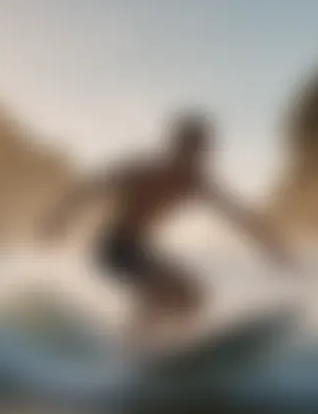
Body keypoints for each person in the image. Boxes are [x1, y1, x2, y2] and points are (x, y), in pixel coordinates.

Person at [40, 112, 294, 343]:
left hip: (139, 248)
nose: (195, 159)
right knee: (159, 288)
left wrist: (272, 246)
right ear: (175, 148)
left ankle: (168, 344)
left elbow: (238, 216)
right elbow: (93, 187)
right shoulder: (143, 170)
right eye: (190, 150)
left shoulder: (196, 182)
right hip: (113, 246)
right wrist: (58, 219)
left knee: (193, 297)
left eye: (200, 152)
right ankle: (134, 345)